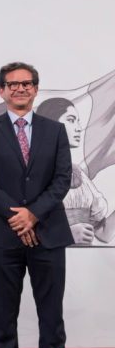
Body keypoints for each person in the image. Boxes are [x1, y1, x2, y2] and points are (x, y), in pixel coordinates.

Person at [0, 63, 76, 348]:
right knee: (4, 317)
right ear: (1, 90)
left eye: (27, 83)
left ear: (35, 89)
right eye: (13, 84)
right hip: (3, 235)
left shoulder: (55, 130)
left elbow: (62, 179)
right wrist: (16, 216)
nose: (20, 88)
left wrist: (33, 214)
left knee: (52, 317)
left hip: (48, 233)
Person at [36, 97, 111, 245]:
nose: (78, 128)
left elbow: (103, 234)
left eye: (78, 121)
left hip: (82, 257)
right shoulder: (31, 173)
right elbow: (17, 230)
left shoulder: (78, 173)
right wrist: (65, 233)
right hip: (50, 255)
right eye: (71, 120)